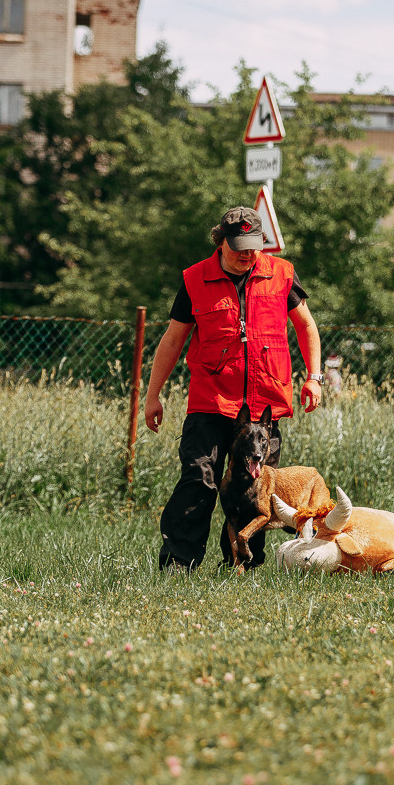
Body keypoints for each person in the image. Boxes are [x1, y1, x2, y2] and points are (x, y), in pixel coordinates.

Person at [144, 206, 322, 572]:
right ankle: (179, 564)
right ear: (220, 241)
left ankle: (241, 568)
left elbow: (306, 327)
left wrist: (314, 377)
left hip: (262, 408)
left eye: (253, 245)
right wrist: (153, 394)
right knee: (199, 480)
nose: (246, 253)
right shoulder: (195, 279)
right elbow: (173, 338)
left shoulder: (282, 274)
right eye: (238, 245)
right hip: (210, 401)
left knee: (255, 491)